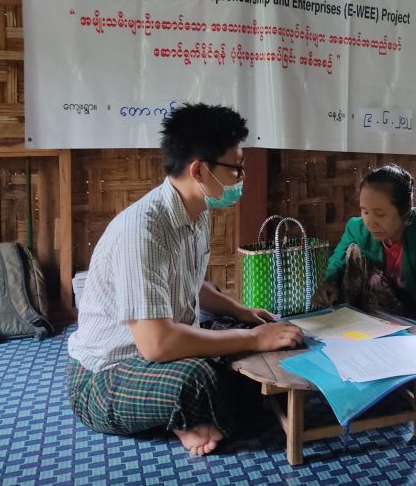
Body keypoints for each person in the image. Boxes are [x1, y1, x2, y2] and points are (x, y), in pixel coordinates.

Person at [67, 103, 304, 456]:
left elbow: (193, 286)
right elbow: (157, 344)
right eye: (236, 169)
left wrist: (240, 313)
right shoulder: (142, 230)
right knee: (200, 378)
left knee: (238, 346)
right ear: (199, 170)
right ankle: (189, 417)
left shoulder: (196, 213)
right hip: (108, 375)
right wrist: (254, 338)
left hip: (163, 356)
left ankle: (196, 421)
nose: (241, 178)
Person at [312, 164, 416, 336]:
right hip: (370, 322)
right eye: (365, 212)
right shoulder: (357, 229)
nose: (371, 223)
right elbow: (337, 263)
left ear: (405, 210)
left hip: (414, 323)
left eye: (380, 214)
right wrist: (330, 282)